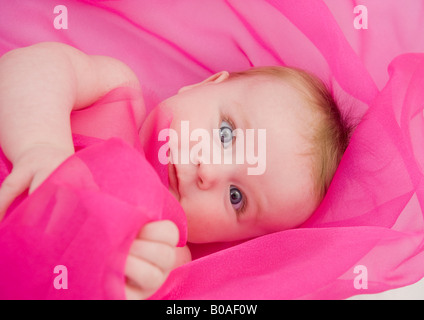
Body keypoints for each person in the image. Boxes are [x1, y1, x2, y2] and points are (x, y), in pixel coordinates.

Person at [0, 42, 351, 299]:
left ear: (230, 241)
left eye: (236, 197)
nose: (208, 171)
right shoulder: (115, 93)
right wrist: (42, 146)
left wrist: (132, 275)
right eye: (226, 133)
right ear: (206, 85)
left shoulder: (167, 253)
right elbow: (29, 68)